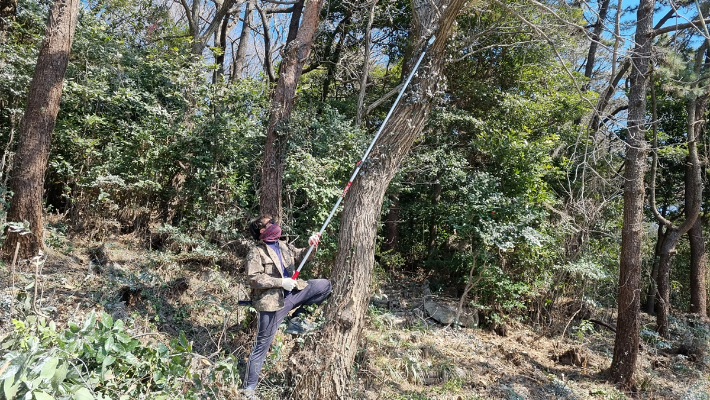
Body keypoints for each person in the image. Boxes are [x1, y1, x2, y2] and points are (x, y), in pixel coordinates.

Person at [242, 215, 332, 400]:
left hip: (293, 293)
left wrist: (312, 245)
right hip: (271, 303)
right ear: (261, 230)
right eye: (270, 223)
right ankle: (249, 389)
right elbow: (254, 278)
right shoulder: (256, 251)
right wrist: (280, 282)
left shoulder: (283, 245)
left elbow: (302, 256)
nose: (275, 225)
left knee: (324, 285)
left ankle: (297, 319)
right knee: (261, 346)